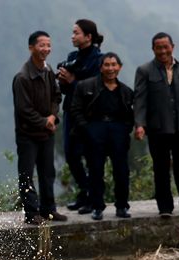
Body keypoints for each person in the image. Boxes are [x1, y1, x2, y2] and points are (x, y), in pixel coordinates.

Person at [134, 33, 179, 221]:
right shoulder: (145, 70)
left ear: (173, 46)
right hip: (157, 129)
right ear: (153, 49)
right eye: (159, 47)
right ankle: (165, 207)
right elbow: (140, 100)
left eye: (166, 47)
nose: (163, 51)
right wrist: (140, 124)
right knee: (161, 168)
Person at [70, 53, 134, 220]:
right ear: (100, 67)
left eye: (114, 64)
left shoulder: (126, 91)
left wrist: (125, 128)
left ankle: (122, 206)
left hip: (118, 130)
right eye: (107, 64)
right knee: (95, 170)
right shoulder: (85, 86)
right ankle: (97, 206)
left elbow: (131, 114)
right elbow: (75, 109)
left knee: (121, 171)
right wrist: (87, 129)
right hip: (95, 129)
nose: (110, 68)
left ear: (119, 67)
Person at [13, 31, 64, 225]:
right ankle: (31, 212)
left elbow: (56, 96)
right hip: (27, 134)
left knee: (47, 172)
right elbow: (24, 109)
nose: (46, 49)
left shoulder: (48, 70)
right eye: (42, 45)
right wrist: (45, 121)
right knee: (26, 174)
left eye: (48, 45)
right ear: (31, 47)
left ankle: (49, 210)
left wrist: (51, 116)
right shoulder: (23, 77)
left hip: (46, 132)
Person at [59, 19, 103, 215]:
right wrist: (65, 81)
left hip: (91, 115)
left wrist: (73, 80)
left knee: (91, 157)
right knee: (71, 154)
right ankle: (84, 191)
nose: (73, 36)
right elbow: (65, 87)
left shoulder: (98, 59)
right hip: (71, 111)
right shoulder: (72, 56)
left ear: (88, 36)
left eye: (76, 33)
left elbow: (94, 88)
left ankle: (92, 198)